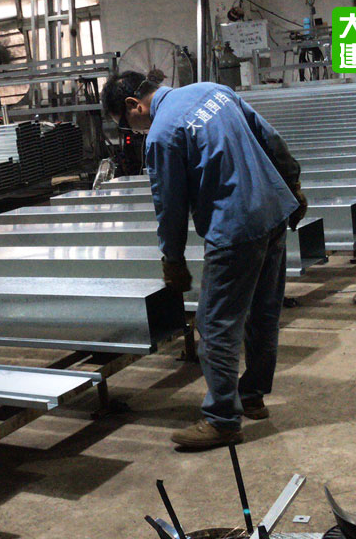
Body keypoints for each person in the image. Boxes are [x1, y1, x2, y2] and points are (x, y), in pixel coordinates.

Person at [102, 71, 307, 449]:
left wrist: (173, 259)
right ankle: (252, 397)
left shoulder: (163, 134)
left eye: (127, 124)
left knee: (214, 328)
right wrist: (292, 183)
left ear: (134, 106)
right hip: (273, 211)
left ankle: (222, 420)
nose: (135, 132)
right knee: (263, 315)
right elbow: (270, 138)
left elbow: (170, 206)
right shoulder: (214, 92)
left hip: (235, 229)